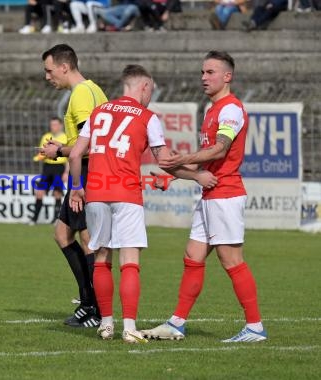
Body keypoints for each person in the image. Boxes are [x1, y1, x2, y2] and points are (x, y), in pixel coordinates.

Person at [68, 64, 217, 343]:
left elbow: (75, 155)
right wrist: (197, 175)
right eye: (151, 89)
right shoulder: (147, 117)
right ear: (144, 87)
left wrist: (77, 189)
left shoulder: (99, 112)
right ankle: (129, 328)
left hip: (96, 193)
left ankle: (106, 325)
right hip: (126, 193)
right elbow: (165, 161)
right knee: (130, 262)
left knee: (101, 259)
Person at [141, 51, 268, 343]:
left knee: (231, 260)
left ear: (227, 76)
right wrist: (172, 174)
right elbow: (203, 165)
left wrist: (179, 159)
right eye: (202, 72)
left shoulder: (231, 109)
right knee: (193, 255)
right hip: (209, 194)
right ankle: (176, 323)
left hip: (225, 194)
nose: (203, 77)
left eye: (210, 72)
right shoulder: (211, 110)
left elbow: (220, 150)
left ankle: (255, 327)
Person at [40, 44, 107, 328]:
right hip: (88, 170)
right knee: (63, 234)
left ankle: (97, 308)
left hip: (89, 173)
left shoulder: (80, 96)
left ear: (64, 67)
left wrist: (60, 152)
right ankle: (88, 301)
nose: (47, 76)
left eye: (49, 70)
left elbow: (88, 145)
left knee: (88, 240)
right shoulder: (93, 89)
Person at [30, 117, 68, 225]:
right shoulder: (46, 137)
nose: (53, 127)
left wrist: (66, 172)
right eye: (52, 125)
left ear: (60, 125)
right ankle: (34, 219)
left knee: (57, 193)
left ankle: (57, 219)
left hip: (59, 167)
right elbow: (43, 152)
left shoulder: (65, 137)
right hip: (47, 167)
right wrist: (39, 156)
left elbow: (69, 156)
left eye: (55, 125)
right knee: (39, 192)